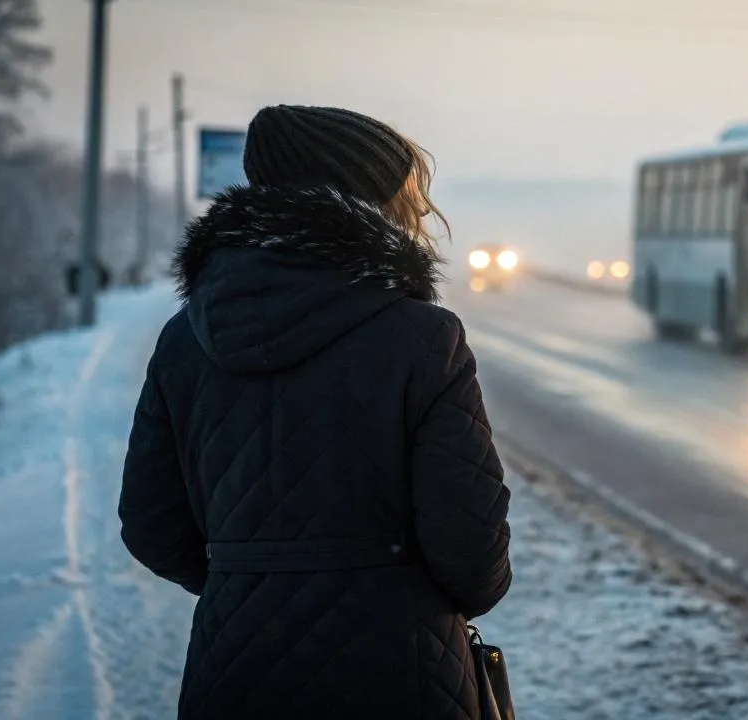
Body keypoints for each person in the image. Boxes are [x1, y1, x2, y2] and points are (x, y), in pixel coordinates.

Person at [118, 105, 513, 719]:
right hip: (400, 672)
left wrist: (254, 578)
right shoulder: (424, 338)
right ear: (369, 201)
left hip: (236, 669)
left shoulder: (184, 339)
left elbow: (151, 526)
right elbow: (472, 552)